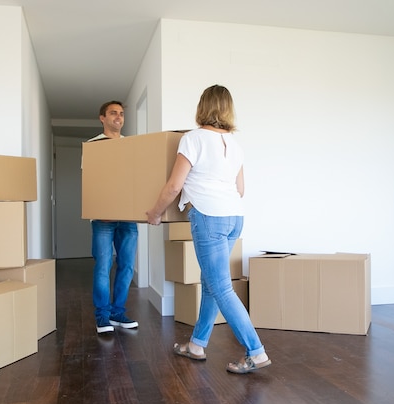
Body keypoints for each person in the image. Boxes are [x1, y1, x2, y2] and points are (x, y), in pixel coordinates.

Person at [146, 85, 271, 374]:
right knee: (212, 283)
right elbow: (240, 189)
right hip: (233, 218)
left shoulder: (193, 139)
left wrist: (154, 213)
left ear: (202, 107)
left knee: (220, 287)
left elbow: (174, 186)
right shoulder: (235, 145)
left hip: (209, 218)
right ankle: (197, 344)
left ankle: (256, 351)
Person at [87, 100, 139, 334]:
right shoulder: (93, 146)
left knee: (127, 266)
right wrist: (100, 208)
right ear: (102, 118)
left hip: (128, 216)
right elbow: (90, 181)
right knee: (103, 266)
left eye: (121, 114)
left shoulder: (133, 146)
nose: (118, 117)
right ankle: (103, 316)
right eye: (113, 113)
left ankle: (118, 312)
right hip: (103, 218)